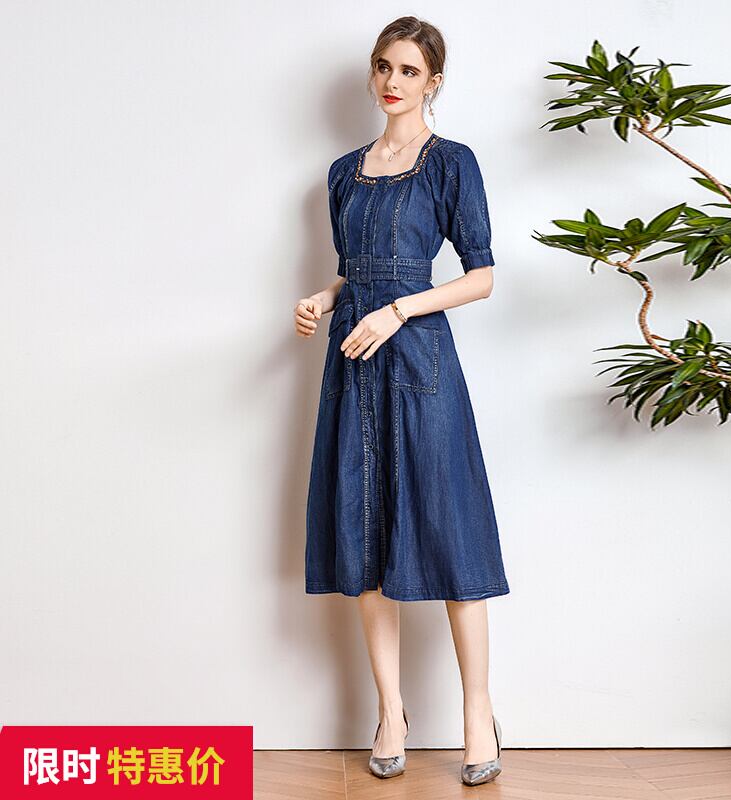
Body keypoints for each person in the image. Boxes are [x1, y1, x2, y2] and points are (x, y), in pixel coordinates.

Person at [293, 15, 508, 787]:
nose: (392, 81)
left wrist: (400, 310)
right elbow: (357, 265)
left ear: (433, 81)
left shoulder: (452, 163)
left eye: (410, 70)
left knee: (450, 532)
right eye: (384, 66)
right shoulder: (343, 172)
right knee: (364, 533)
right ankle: (391, 712)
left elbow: (481, 276)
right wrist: (326, 295)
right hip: (353, 362)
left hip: (419, 362)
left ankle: (478, 713)